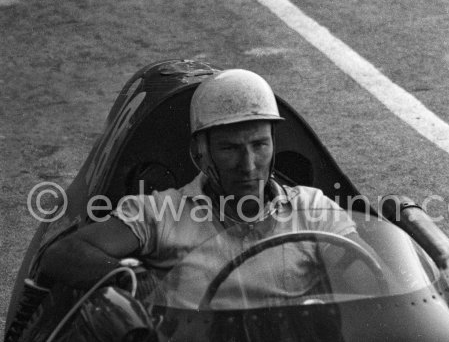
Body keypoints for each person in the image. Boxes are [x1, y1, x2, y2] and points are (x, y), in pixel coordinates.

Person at [38, 69, 371, 308]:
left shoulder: (313, 210)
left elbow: (364, 278)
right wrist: (127, 277)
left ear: (273, 143)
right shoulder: (159, 213)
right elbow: (61, 255)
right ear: (200, 153)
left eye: (259, 144)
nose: (249, 163)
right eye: (230, 149)